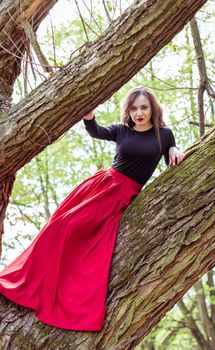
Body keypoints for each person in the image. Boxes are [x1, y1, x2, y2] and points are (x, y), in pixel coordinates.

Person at [0, 86, 185, 332]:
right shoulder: (121, 131)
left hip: (123, 195)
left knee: (86, 242)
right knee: (61, 226)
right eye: (134, 108)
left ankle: (64, 295)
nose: (139, 113)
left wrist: (174, 149)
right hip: (101, 187)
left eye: (143, 107)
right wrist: (89, 118)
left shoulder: (164, 135)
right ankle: (27, 284)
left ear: (152, 108)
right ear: (128, 111)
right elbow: (97, 132)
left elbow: (170, 157)